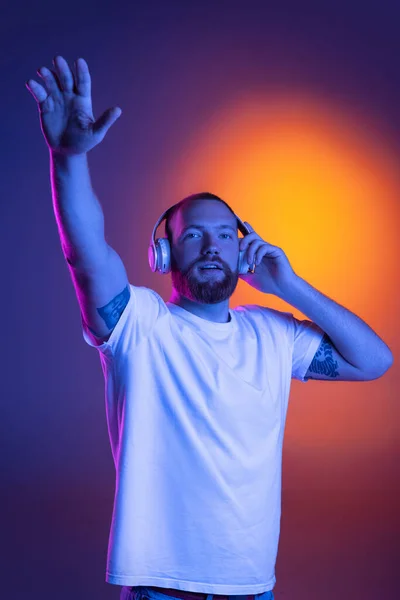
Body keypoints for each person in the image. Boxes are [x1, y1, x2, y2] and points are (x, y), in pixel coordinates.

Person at [26, 56, 393, 600]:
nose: (212, 245)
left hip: (251, 589)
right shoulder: (140, 327)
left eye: (224, 234)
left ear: (242, 248)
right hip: (159, 589)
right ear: (163, 252)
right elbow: (85, 254)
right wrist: (67, 160)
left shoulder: (273, 334)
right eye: (194, 235)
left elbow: (375, 360)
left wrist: (289, 287)